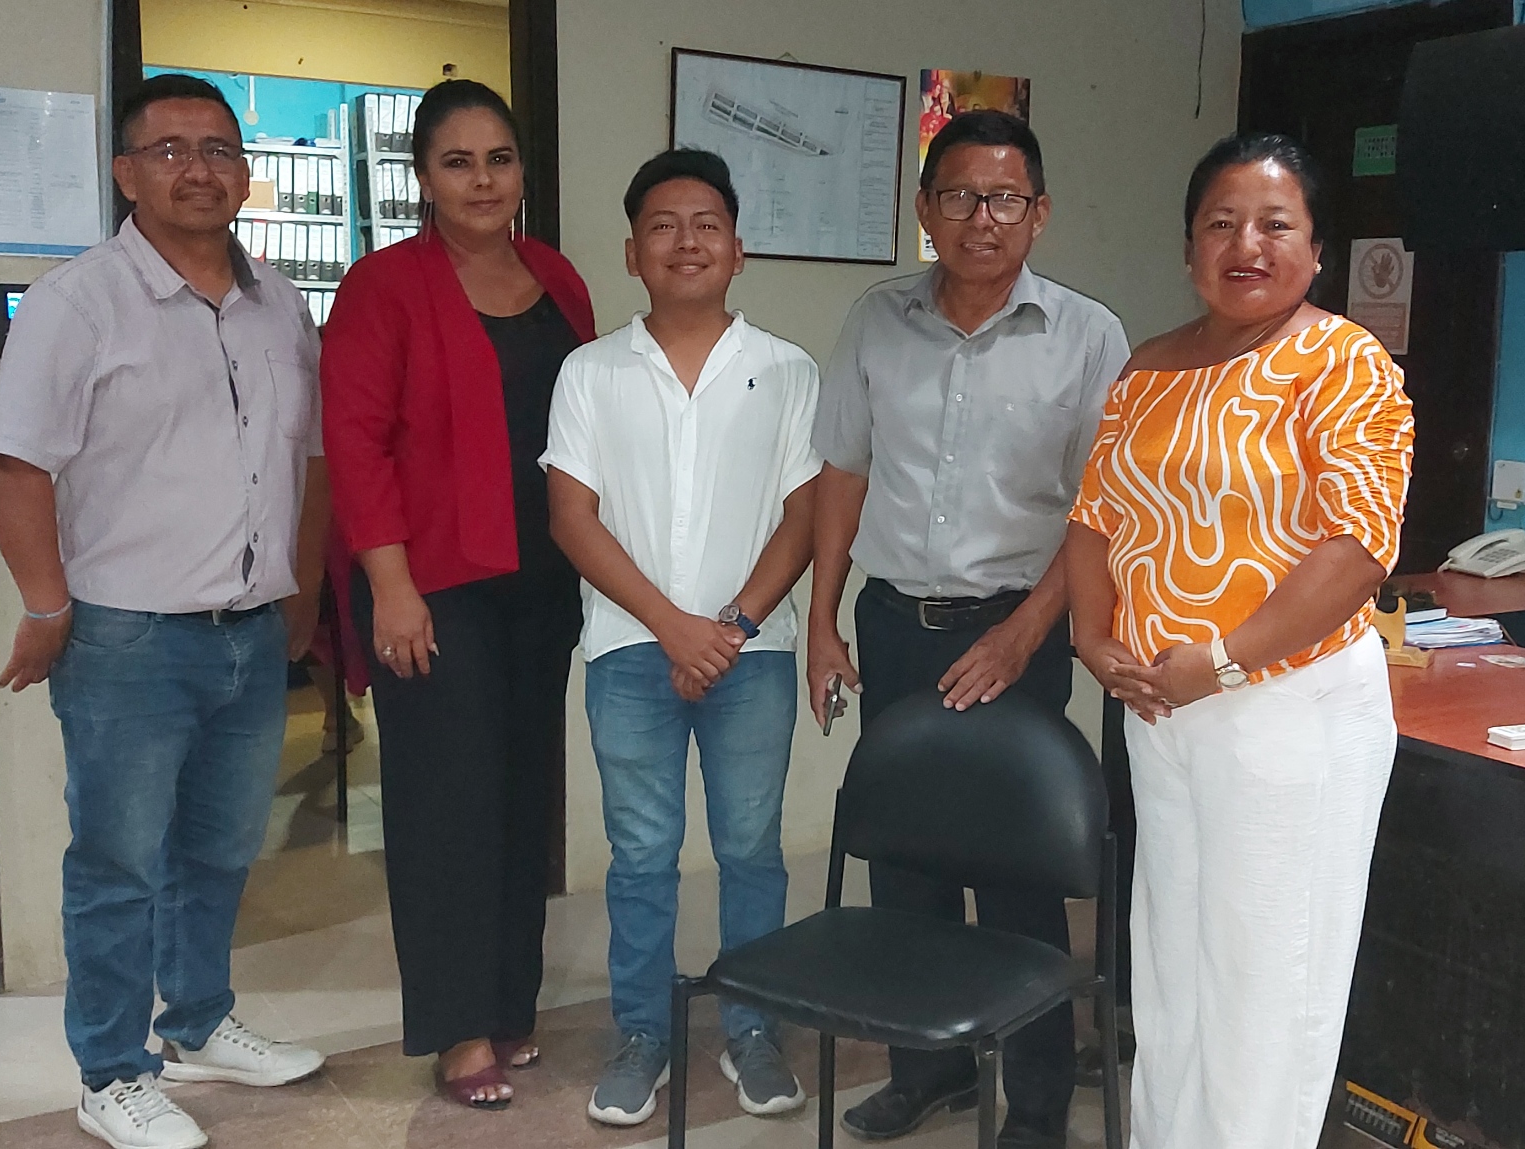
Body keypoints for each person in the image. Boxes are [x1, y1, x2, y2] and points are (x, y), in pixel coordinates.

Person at [0, 73, 330, 1149]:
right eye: (170, 150)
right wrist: (46, 604)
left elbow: (310, 462)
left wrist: (304, 593)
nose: (198, 169)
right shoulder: (76, 303)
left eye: (219, 149)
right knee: (118, 864)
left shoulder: (281, 305)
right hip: (126, 637)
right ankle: (110, 1070)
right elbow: (17, 464)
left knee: (221, 850)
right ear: (127, 173)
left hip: (249, 631)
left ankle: (199, 1020)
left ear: (246, 173)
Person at [1063, 133, 1414, 1149]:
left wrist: (1220, 661)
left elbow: (1357, 546)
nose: (1244, 244)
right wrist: (1092, 637)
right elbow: (1095, 518)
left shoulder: (1341, 363)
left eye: (1273, 224)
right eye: (1219, 223)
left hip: (1283, 709)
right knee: (1171, 969)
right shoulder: (1147, 366)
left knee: (1267, 987)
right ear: (1188, 248)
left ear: (1316, 249)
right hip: (1160, 707)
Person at [808, 110, 1130, 1149]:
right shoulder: (876, 319)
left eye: (1002, 198)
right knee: (904, 867)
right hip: (896, 624)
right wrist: (821, 619)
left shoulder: (1087, 336)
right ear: (924, 209)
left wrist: (1027, 634)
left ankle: (1035, 1103)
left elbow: (1099, 513)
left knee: (1017, 876)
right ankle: (928, 1067)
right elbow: (842, 473)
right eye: (957, 195)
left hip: (1014, 632)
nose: (979, 217)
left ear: (1038, 213)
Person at [318, 78, 595, 1110]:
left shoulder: (556, 278)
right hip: (432, 588)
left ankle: (509, 1001)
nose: (482, 181)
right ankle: (456, 1027)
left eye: (499, 159)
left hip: (541, 582)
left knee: (521, 798)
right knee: (448, 807)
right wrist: (389, 585)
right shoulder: (383, 286)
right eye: (457, 162)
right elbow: (354, 444)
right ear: (423, 179)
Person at [541, 148, 821, 1127]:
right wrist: (672, 627)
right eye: (662, 225)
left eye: (706, 224)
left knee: (750, 849)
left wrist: (730, 628)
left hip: (755, 655)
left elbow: (804, 517)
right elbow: (570, 516)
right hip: (629, 651)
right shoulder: (589, 371)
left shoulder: (787, 370)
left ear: (738, 250)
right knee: (641, 854)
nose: (685, 241)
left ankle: (753, 1026)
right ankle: (642, 1032)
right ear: (631, 252)